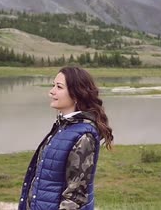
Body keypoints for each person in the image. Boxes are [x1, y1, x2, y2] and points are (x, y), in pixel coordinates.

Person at [19, 66, 114, 210]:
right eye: (53, 85)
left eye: (59, 87)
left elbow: (75, 197)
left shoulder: (84, 135)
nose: (51, 91)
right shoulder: (63, 126)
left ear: (76, 94)